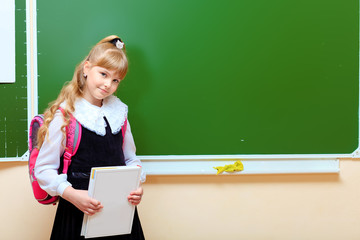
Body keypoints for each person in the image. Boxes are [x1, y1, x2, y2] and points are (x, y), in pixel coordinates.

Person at [34, 35, 146, 240]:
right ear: (86, 68)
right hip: (76, 214)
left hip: (118, 215)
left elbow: (131, 159)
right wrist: (71, 195)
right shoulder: (67, 114)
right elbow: (42, 169)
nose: (107, 84)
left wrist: (136, 185)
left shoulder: (119, 113)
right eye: (103, 74)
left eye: (115, 80)